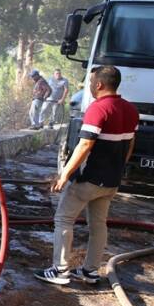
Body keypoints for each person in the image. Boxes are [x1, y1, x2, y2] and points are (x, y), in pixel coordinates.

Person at [36, 66, 139, 286]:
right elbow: (130, 143)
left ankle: (60, 270)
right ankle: (90, 271)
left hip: (89, 179)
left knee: (63, 219)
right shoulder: (131, 110)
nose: (89, 86)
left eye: (91, 82)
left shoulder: (98, 108)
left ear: (100, 84)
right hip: (111, 181)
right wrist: (118, 168)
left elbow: (85, 144)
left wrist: (64, 174)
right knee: (99, 225)